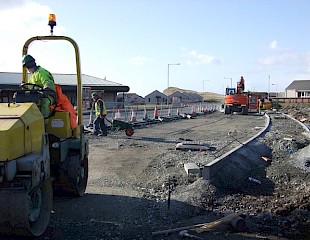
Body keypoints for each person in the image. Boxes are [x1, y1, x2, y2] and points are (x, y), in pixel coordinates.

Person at [22, 54, 55, 121]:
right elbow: (30, 88)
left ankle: (43, 125)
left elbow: (48, 85)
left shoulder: (42, 72)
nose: (27, 69)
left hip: (47, 97)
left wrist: (44, 91)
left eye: (26, 67)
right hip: (35, 97)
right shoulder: (32, 76)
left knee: (45, 103)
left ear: (28, 66)